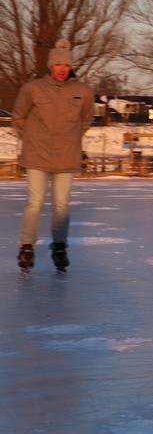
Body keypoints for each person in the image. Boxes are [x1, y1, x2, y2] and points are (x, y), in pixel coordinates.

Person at [14, 39, 96, 272]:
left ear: (70, 67)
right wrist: (31, 138)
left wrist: (72, 139)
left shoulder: (82, 92)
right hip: (37, 156)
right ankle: (26, 246)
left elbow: (86, 120)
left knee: (61, 206)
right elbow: (19, 117)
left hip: (66, 158)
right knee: (35, 202)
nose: (62, 69)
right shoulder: (33, 88)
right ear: (51, 66)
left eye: (66, 65)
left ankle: (60, 246)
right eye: (58, 64)